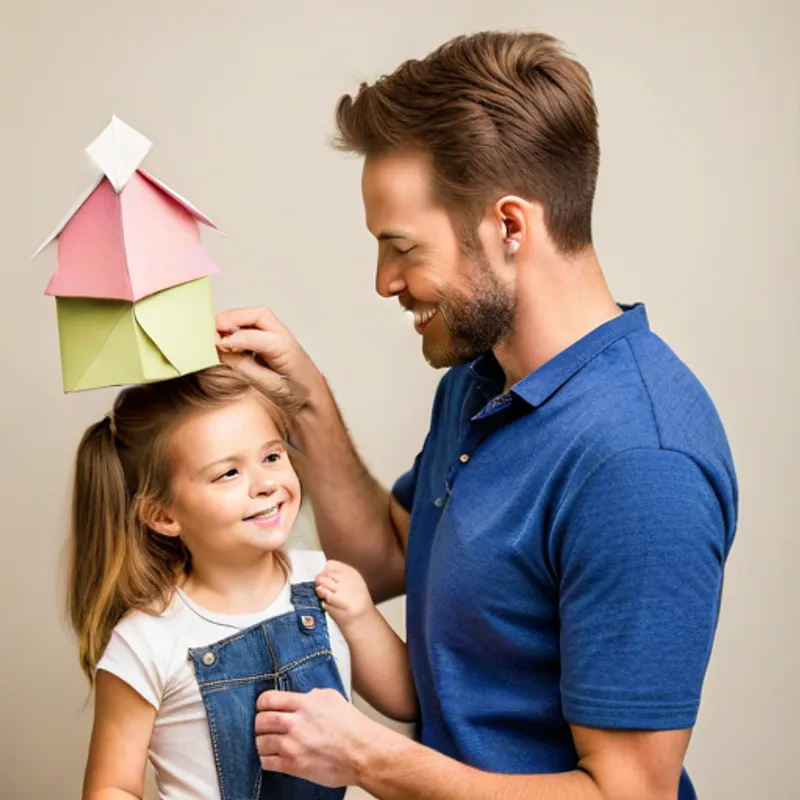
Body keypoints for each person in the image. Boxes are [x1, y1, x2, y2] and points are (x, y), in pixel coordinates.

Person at [216, 30, 738, 800]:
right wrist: (307, 401)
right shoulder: (478, 379)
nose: (384, 280)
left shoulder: (639, 464)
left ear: (510, 227)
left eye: (402, 247)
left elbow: (628, 794)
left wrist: (366, 760)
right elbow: (389, 561)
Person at [68, 365, 416, 799]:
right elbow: (110, 787)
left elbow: (405, 701)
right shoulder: (146, 641)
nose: (266, 484)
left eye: (272, 456)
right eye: (228, 473)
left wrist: (361, 616)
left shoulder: (322, 580)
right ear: (163, 515)